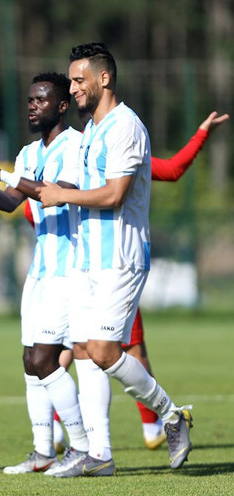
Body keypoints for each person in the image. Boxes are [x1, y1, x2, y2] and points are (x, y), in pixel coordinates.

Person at [37, 42, 193, 477]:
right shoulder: (90, 134)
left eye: (79, 80)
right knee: (85, 352)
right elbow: (73, 188)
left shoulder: (127, 127)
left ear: (104, 79)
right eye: (71, 80)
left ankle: (171, 415)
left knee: (105, 352)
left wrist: (61, 194)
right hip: (88, 259)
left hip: (120, 260)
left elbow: (114, 194)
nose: (73, 88)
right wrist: (19, 184)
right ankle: (99, 455)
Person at [47, 110, 229, 452]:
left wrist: (201, 134)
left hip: (114, 263)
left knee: (81, 350)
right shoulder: (67, 155)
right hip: (79, 267)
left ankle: (133, 429)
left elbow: (170, 169)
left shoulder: (116, 145)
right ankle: (78, 438)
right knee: (73, 351)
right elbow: (31, 207)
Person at [0, 72, 89, 476]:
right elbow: (12, 202)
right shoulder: (28, 153)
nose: (32, 106)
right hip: (40, 270)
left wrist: (2, 174)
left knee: (46, 358)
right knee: (31, 361)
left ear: (62, 106)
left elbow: (54, 192)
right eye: (29, 100)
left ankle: (80, 447)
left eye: (40, 100)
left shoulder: (76, 146)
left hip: (68, 271)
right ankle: (43, 451)